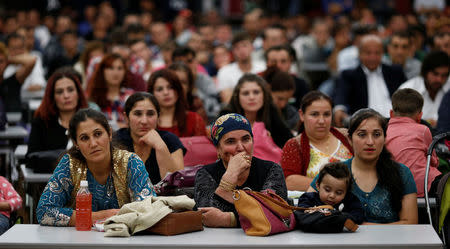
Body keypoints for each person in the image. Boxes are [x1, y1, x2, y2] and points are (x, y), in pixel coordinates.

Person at [37, 108, 156, 226]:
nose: (93, 144)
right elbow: (44, 212)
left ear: (109, 134)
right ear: (76, 143)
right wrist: (103, 216)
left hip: (124, 241)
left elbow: (149, 209)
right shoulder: (69, 165)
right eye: (84, 138)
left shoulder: (131, 163)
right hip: (79, 241)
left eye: (98, 134)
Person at [308, 108, 418, 224]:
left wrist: (362, 228)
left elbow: (410, 223)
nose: (370, 142)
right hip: (340, 242)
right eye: (362, 135)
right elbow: (306, 209)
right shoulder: (334, 171)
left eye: (376, 134)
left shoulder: (402, 173)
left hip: (390, 242)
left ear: (385, 138)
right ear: (350, 139)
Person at [194, 113, 287, 227]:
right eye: (231, 141)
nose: (241, 147)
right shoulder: (205, 173)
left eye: (246, 139)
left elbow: (274, 212)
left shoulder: (271, 169)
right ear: (218, 148)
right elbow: (209, 216)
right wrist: (229, 177)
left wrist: (230, 219)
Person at [281, 91, 353, 191]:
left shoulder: (347, 136)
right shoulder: (294, 145)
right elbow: (289, 181)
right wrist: (335, 186)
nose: (321, 121)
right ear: (302, 115)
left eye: (327, 114)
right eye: (315, 114)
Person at [334, 34, 407, 126]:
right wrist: (339, 109)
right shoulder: (349, 75)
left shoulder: (395, 72)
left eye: (377, 53)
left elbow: (407, 95)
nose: (373, 57)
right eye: (368, 53)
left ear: (382, 54)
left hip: (396, 123)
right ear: (359, 54)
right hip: (364, 125)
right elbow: (341, 95)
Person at [114, 92, 186, 185]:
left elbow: (177, 184)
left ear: (158, 117)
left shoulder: (170, 140)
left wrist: (160, 146)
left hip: (162, 199)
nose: (144, 121)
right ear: (126, 117)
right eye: (138, 114)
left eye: (150, 114)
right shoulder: (116, 140)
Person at [386, 88, 441, 197]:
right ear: (420, 115)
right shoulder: (423, 130)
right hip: (422, 186)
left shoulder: (382, 131)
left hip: (391, 187)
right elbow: (433, 160)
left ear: (391, 113)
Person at [27, 68, 89, 157]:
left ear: (78, 93)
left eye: (70, 90)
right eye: (59, 92)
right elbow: (31, 157)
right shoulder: (41, 122)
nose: (66, 96)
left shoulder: (90, 120)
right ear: (52, 97)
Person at [221, 73, 293, 149]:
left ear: (264, 95)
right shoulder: (226, 119)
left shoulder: (272, 113)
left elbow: (289, 144)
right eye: (246, 93)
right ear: (237, 97)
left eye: (256, 92)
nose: (251, 97)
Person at [297, 162, 364, 225]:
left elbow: (358, 216)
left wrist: (339, 216)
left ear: (346, 192)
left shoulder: (350, 201)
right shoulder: (308, 199)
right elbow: (301, 214)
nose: (332, 196)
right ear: (318, 185)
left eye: (339, 193)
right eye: (327, 190)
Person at [147, 68, 207, 137]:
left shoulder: (194, 120)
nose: (166, 93)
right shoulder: (146, 122)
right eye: (159, 89)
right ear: (152, 94)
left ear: (178, 90)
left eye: (170, 87)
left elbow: (202, 146)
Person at [398, 51, 450, 126]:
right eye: (435, 74)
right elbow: (399, 122)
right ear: (425, 72)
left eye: (444, 75)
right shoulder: (408, 90)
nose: (439, 79)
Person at [86, 53, 135, 129]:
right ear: (102, 71)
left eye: (120, 68)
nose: (116, 73)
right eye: (111, 68)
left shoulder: (131, 96)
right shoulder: (93, 96)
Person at [217, 32, 266, 103]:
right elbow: (227, 100)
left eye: (244, 46)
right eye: (237, 47)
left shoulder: (263, 67)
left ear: (252, 47)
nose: (241, 50)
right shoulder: (224, 71)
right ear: (233, 51)